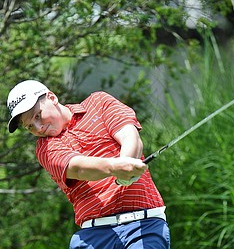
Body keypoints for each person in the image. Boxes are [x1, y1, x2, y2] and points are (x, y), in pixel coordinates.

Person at [7, 80, 170, 249]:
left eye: (38, 116)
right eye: (30, 126)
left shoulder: (99, 102)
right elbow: (78, 168)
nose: (39, 128)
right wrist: (116, 167)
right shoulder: (45, 148)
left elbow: (130, 137)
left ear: (52, 97)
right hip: (93, 236)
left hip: (144, 225)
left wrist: (127, 165)